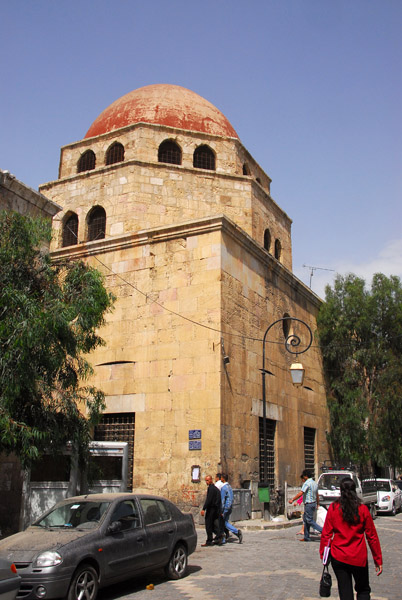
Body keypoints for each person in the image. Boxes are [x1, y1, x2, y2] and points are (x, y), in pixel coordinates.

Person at [320, 477, 382, 600]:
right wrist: (378, 559)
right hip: (358, 557)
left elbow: (326, 534)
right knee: (363, 589)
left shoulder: (333, 508)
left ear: (340, 491)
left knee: (345, 591)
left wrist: (324, 555)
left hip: (339, 556)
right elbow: (371, 536)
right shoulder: (362, 509)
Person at [289, 469, 323, 542]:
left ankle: (322, 530)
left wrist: (292, 499)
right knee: (306, 519)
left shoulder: (307, 483)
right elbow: (317, 494)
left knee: (309, 520)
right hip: (313, 503)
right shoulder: (314, 483)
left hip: (309, 504)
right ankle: (306, 537)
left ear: (306, 476)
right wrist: (318, 503)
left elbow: (301, 493)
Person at [220, 473, 243, 544]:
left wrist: (221, 510)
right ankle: (224, 538)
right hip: (230, 506)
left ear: (223, 479)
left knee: (223, 523)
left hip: (226, 507)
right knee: (224, 522)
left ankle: (237, 532)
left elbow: (222, 500)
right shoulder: (229, 486)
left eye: (221, 478)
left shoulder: (223, 488)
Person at [200, 475, 222, 546]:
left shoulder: (211, 489)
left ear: (211, 480)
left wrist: (204, 509)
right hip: (215, 509)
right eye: (206, 480)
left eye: (207, 480)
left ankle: (209, 541)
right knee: (214, 524)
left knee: (208, 525)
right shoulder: (216, 489)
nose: (206, 482)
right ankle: (219, 536)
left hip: (211, 509)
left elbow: (208, 500)